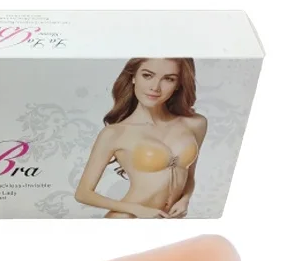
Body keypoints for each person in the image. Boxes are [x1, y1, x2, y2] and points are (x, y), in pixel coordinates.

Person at [75, 58, 207, 218]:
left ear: (178, 84)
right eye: (147, 75)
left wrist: (185, 200)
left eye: (168, 79)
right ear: (133, 77)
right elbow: (83, 193)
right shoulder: (115, 133)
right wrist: (137, 209)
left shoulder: (195, 124)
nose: (155, 87)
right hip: (127, 219)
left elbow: (189, 176)